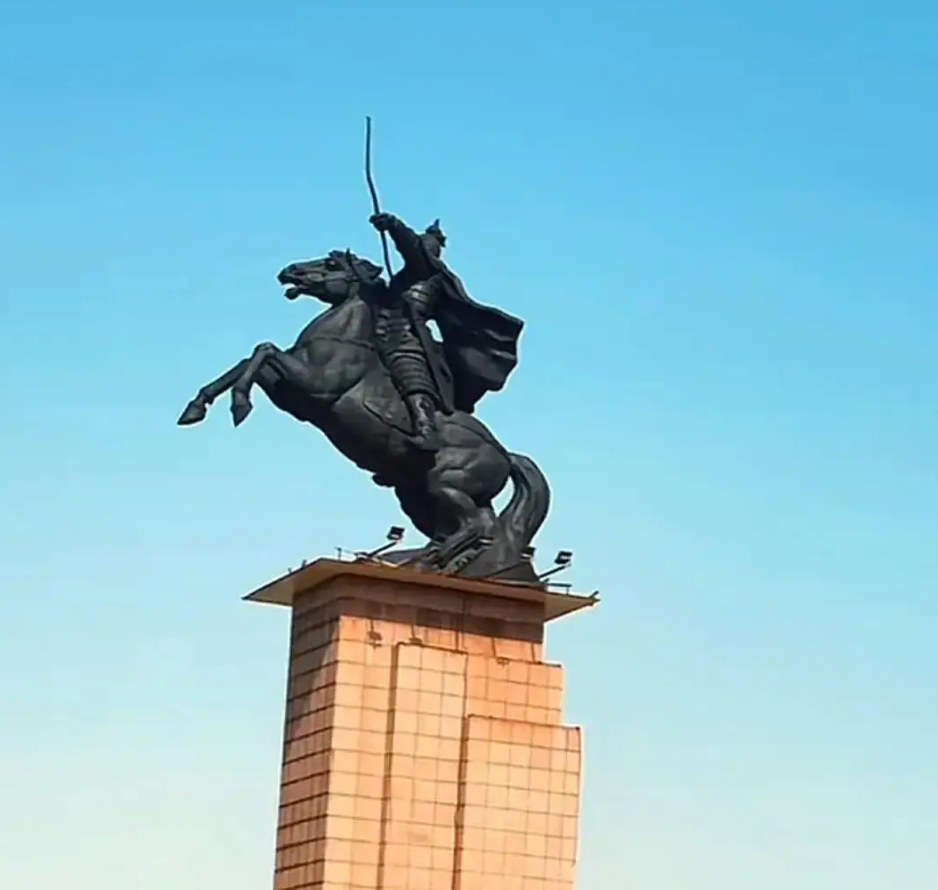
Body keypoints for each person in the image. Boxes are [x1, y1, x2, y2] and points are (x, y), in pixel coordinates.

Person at [369, 211, 524, 453]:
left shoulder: (429, 270)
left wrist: (394, 226)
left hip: (407, 336)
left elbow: (411, 247)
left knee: (409, 371)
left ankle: (426, 430)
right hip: (381, 330)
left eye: (424, 247)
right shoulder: (405, 276)